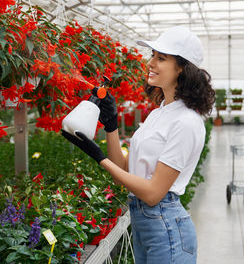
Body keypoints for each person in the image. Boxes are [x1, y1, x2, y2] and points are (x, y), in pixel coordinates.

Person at [61, 26, 215, 264]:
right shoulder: (158, 113)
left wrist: (98, 156)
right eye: (152, 55)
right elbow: (125, 169)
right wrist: (110, 127)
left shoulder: (186, 122)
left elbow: (153, 193)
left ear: (183, 68)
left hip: (166, 228)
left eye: (161, 58)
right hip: (145, 224)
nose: (151, 63)